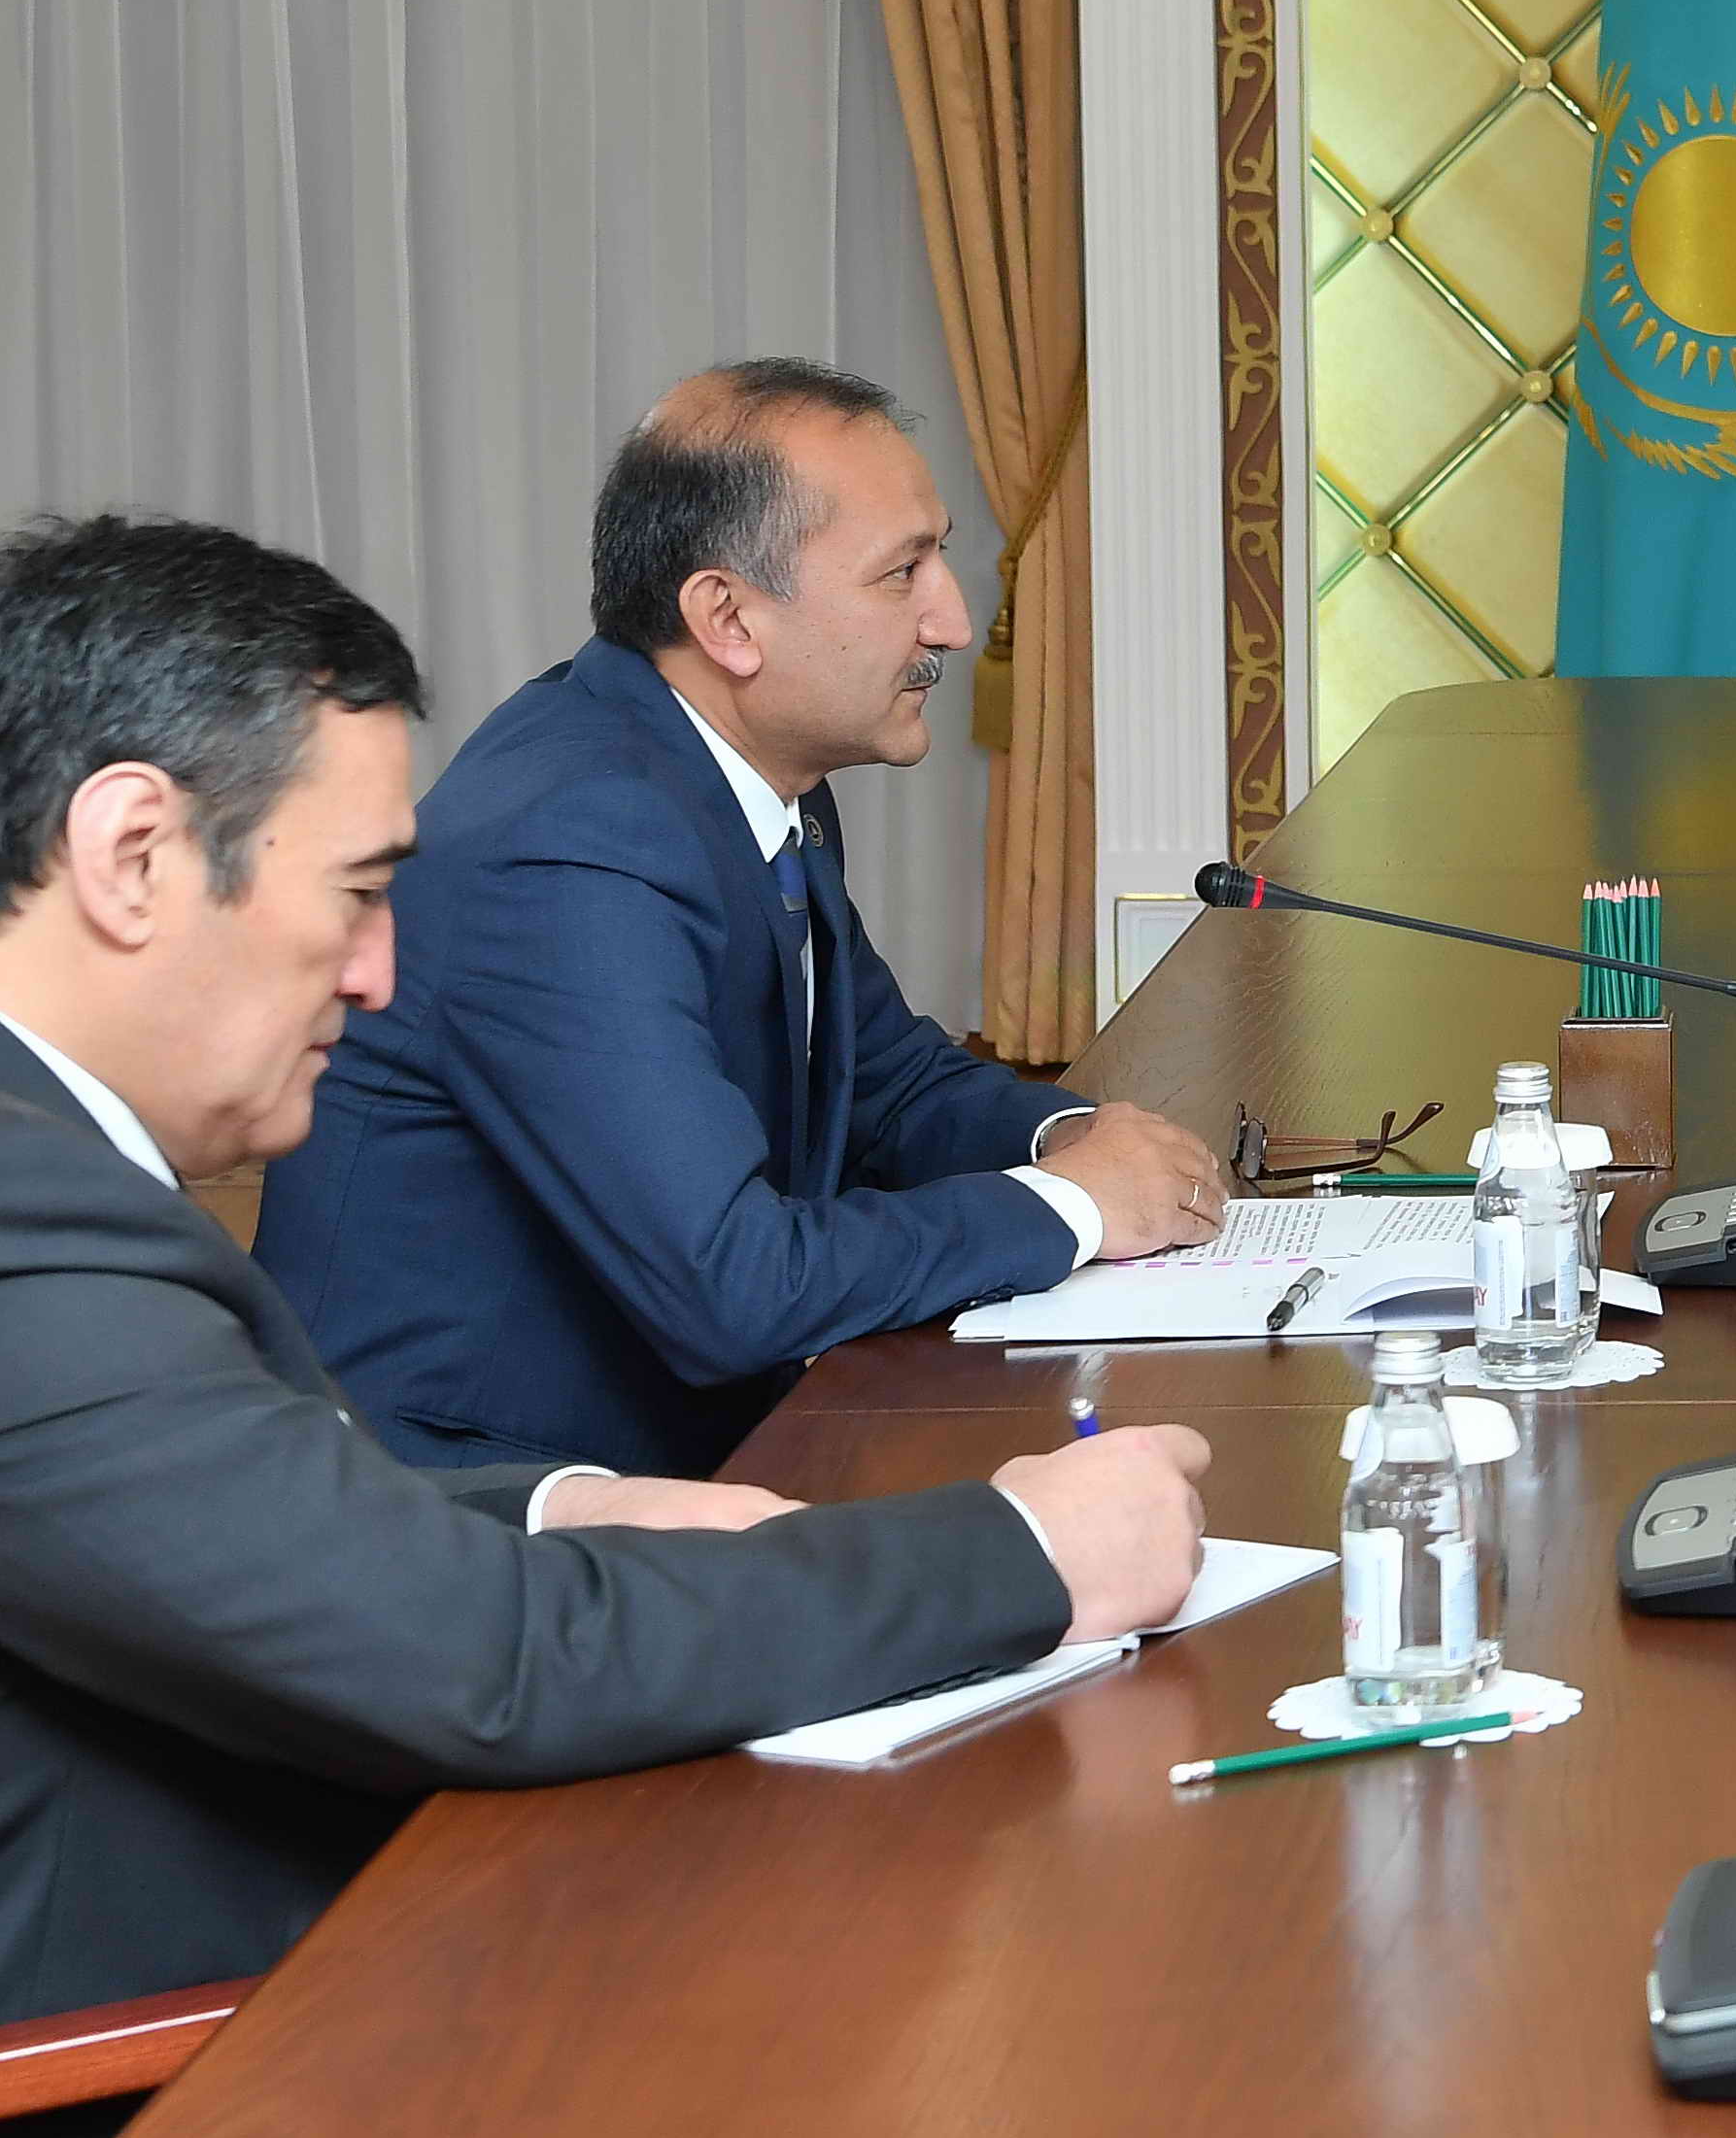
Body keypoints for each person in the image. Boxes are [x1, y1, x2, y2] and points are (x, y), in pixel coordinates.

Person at [0, 515, 1214, 2138]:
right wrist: (1024, 1552)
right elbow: (480, 1661)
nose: (378, 975)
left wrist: (561, 1496)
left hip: (234, 2021)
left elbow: (188, 1497)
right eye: (357, 894)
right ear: (132, 852)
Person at [259, 361, 1228, 1476]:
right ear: (727, 617)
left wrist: (1079, 1140)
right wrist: (1072, 1207)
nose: (953, 621)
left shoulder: (747, 773)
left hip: (682, 1438)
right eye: (902, 572)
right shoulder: (571, 843)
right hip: (477, 1494)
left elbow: (883, 1082)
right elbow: (732, 1281)